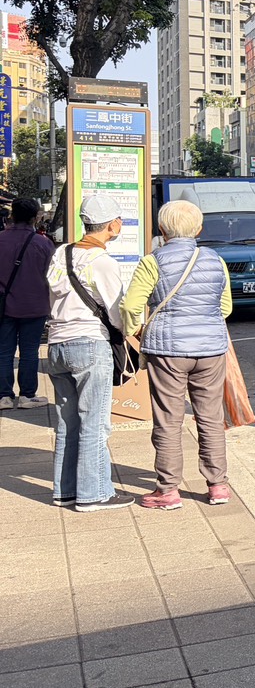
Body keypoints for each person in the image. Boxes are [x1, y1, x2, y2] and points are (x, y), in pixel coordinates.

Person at [122, 200, 234, 510]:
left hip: (167, 351)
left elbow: (132, 306)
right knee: (211, 417)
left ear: (162, 230)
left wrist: (137, 330)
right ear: (199, 229)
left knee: (168, 419)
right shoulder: (215, 260)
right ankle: (218, 486)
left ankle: (168, 490)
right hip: (211, 349)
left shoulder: (152, 261)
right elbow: (225, 308)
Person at [45, 195, 131, 510]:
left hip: (57, 345)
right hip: (89, 344)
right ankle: (94, 494)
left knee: (68, 422)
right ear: (112, 224)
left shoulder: (61, 254)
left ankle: (65, 491)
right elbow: (115, 311)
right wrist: (126, 333)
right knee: (95, 422)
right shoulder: (103, 261)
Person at [0, 197, 55, 410]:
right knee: (29, 351)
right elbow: (52, 276)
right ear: (35, 218)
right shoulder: (43, 244)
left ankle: (4, 396)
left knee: (4, 351)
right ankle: (27, 396)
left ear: (12, 215)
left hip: (4, 307)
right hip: (34, 305)